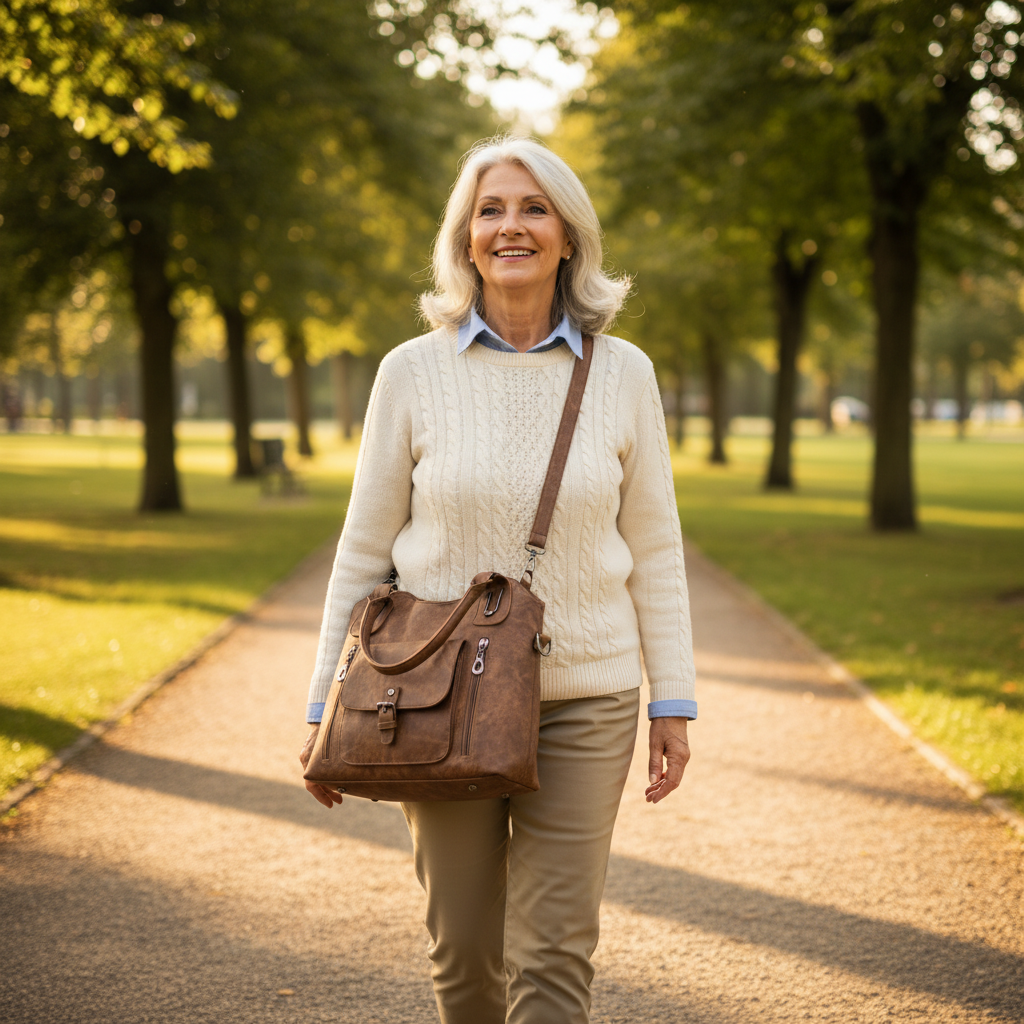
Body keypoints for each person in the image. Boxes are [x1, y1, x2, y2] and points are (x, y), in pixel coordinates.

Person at [299, 135, 696, 1024]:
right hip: (438, 697)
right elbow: (362, 552)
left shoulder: (625, 373)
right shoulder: (410, 372)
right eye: (490, 210)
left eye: (533, 208)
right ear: (466, 240)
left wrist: (672, 700)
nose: (510, 226)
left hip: (587, 697)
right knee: (465, 952)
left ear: (568, 236)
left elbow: (657, 547)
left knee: (554, 950)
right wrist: (325, 702)